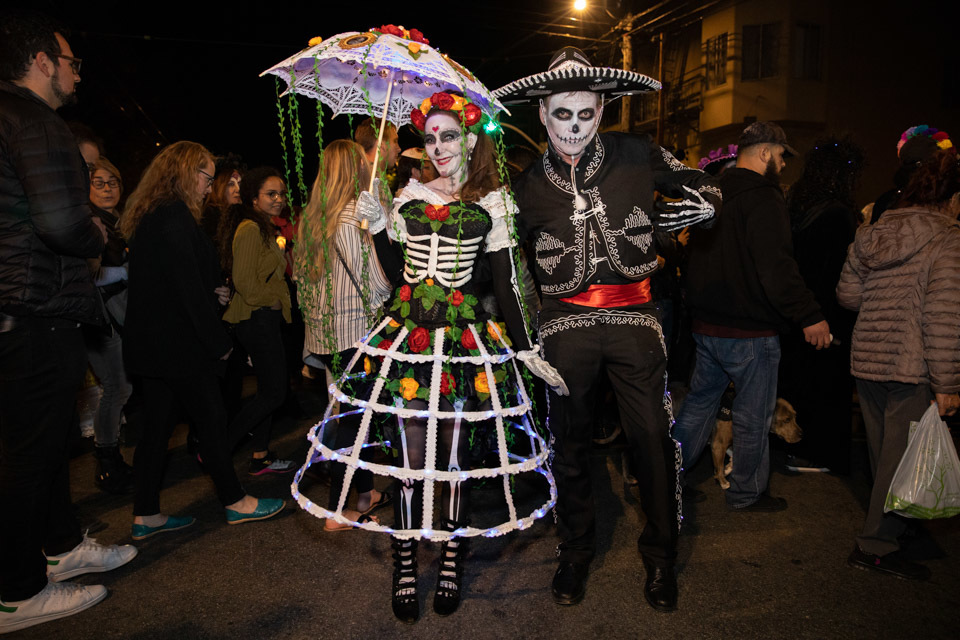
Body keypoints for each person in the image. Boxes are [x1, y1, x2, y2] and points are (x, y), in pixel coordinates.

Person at [326, 91, 567, 623]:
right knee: (412, 459)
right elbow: (397, 273)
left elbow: (506, 281)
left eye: (448, 135)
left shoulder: (492, 201)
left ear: (471, 138)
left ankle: (452, 556)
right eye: (430, 137)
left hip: (460, 342)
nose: (437, 146)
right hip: (409, 338)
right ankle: (406, 558)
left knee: (454, 461)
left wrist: (526, 346)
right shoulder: (407, 192)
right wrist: (379, 227)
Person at [495, 47, 719, 613]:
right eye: (562, 115)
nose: (573, 127)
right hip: (565, 325)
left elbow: (705, 183)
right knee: (566, 444)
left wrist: (703, 205)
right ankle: (575, 550)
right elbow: (502, 266)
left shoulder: (637, 154)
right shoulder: (523, 187)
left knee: (650, 438)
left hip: (635, 320)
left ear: (603, 110)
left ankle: (662, 557)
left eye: (586, 114)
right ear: (542, 114)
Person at [0, 12, 137, 633]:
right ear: (41, 61)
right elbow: (59, 223)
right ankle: (17, 591)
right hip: (32, 308)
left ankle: (58, 548)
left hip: (23, 305)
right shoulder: (33, 120)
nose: (77, 72)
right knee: (28, 455)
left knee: (50, 444)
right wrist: (96, 232)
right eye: (71, 60)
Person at [121, 141, 285, 542]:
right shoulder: (173, 215)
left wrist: (211, 290)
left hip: (152, 344)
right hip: (179, 344)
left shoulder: (151, 213)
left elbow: (169, 282)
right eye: (205, 177)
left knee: (158, 429)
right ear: (182, 172)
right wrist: (218, 342)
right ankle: (235, 502)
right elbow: (183, 289)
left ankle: (145, 514)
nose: (208, 187)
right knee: (211, 419)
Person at [672, 122, 830, 513]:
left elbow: (694, 255)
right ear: (763, 153)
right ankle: (746, 492)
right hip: (749, 328)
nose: (782, 164)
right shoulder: (764, 197)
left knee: (699, 404)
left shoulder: (713, 193)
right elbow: (775, 266)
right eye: (780, 156)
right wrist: (809, 314)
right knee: (753, 414)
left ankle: (665, 474)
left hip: (707, 326)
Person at [837, 148, 960, 580]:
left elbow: (848, 296)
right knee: (898, 459)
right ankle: (875, 546)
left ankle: (896, 529)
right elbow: (943, 315)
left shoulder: (873, 233)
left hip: (868, 360)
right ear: (951, 198)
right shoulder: (947, 238)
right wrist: (947, 383)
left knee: (884, 457)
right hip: (911, 367)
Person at [297, 139, 393, 530]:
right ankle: (336, 510)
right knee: (353, 422)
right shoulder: (358, 215)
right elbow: (378, 282)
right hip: (356, 331)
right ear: (356, 168)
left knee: (352, 413)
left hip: (326, 336)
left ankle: (366, 493)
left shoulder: (313, 217)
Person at [778, 137, 864, 475]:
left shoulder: (796, 207)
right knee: (827, 388)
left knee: (799, 383)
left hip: (795, 311)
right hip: (826, 316)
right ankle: (821, 453)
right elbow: (838, 274)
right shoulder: (838, 215)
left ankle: (796, 448)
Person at [217, 167, 295, 474]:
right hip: (256, 318)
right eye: (271, 194)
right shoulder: (249, 229)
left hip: (264, 319)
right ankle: (218, 447)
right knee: (275, 392)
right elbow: (245, 282)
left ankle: (260, 455)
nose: (279, 200)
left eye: (282, 194)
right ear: (253, 198)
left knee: (269, 390)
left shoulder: (264, 227)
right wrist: (272, 301)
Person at [86, 156, 135, 493]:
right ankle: (107, 461)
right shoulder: (88, 221)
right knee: (116, 387)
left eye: (112, 182)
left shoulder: (120, 219)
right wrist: (123, 273)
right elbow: (85, 273)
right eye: (99, 183)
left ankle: (112, 456)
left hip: (123, 314)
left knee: (122, 387)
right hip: (102, 319)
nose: (107, 189)